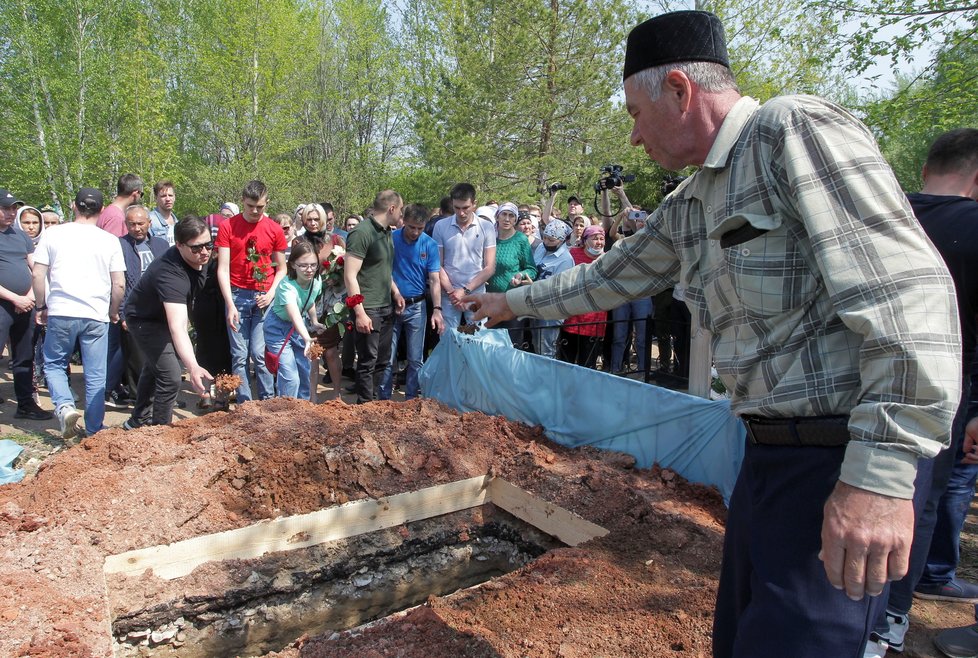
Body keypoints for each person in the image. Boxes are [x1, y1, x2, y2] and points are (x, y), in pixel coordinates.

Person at [464, 11, 961, 657]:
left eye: (636, 114)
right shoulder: (693, 200)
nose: (635, 139)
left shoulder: (792, 131)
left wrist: (881, 476)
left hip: (840, 458)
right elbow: (609, 277)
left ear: (679, 89)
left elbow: (907, 298)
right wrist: (511, 300)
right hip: (765, 455)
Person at [865, 128, 978, 657]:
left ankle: (866, 609)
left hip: (863, 386)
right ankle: (889, 616)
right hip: (943, 394)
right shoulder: (973, 227)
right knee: (922, 500)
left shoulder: (882, 215)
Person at [33, 187, 125, 439]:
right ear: (102, 209)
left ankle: (64, 407)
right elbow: (119, 283)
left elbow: (38, 273)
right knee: (96, 374)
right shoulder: (109, 240)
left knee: (53, 364)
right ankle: (94, 428)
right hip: (96, 313)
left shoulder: (53, 234)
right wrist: (114, 311)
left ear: (74, 206)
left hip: (62, 310)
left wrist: (41, 306)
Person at [122, 217, 214, 428]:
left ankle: (137, 421)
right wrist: (193, 366)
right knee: (171, 376)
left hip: (163, 315)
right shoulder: (170, 273)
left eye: (209, 244)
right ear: (179, 245)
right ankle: (161, 433)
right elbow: (178, 326)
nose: (205, 252)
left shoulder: (200, 257)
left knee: (156, 367)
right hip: (144, 319)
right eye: (197, 247)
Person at [215, 180, 287, 403]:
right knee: (239, 355)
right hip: (236, 294)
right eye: (250, 206)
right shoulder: (228, 226)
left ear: (267, 203)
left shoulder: (274, 229)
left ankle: (267, 402)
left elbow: (282, 268)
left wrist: (272, 292)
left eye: (260, 207)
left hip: (264, 296)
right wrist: (230, 304)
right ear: (242, 202)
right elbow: (223, 268)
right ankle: (245, 403)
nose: (255, 211)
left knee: (259, 353)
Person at [379, 203, 444, 400]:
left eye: (420, 228)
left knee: (416, 359)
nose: (415, 232)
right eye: (411, 227)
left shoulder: (429, 244)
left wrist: (438, 309)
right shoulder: (391, 239)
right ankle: (383, 399)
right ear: (403, 222)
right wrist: (396, 292)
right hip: (392, 303)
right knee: (388, 358)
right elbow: (384, 271)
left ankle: (411, 399)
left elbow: (434, 279)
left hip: (417, 306)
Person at [344, 189, 403, 404]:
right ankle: (365, 408)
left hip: (386, 306)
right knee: (367, 362)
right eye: (401, 209)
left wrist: (395, 291)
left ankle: (376, 405)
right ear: (392, 208)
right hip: (368, 308)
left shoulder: (386, 231)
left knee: (382, 361)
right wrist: (359, 312)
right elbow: (350, 276)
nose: (401, 214)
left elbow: (383, 269)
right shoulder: (362, 232)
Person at [107, 205, 168, 409]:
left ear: (149, 223)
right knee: (136, 357)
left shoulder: (160, 245)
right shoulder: (119, 245)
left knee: (160, 355)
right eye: (131, 224)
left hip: (158, 308)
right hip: (133, 308)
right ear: (126, 224)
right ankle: (138, 399)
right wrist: (123, 313)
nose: (137, 228)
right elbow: (118, 281)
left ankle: (162, 397)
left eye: (141, 223)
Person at [0, 190, 51, 420]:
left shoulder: (20, 236)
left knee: (24, 357)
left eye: (13, 208)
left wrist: (30, 296)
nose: (10, 213)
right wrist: (14, 297)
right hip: (3, 305)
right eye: (5, 208)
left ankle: (25, 404)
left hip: (26, 305)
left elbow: (34, 267)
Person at [262, 240, 324, 400]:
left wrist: (314, 321)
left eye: (313, 265)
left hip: (298, 327)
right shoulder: (286, 287)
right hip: (277, 327)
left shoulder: (316, 282)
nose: (309, 270)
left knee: (304, 371)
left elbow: (308, 302)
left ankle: (302, 412)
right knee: (290, 376)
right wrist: (307, 338)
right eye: (303, 265)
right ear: (293, 265)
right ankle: (286, 412)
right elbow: (294, 313)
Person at [432, 183, 496, 331]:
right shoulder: (441, 226)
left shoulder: (486, 227)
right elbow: (437, 264)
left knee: (479, 342)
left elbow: (490, 267)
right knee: (448, 341)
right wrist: (452, 293)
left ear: (474, 204)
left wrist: (465, 291)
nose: (461, 213)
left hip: (476, 293)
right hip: (449, 294)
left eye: (465, 208)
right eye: (457, 208)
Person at [556, 224, 606, 368]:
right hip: (572, 316)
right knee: (567, 362)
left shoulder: (608, 258)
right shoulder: (572, 254)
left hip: (595, 317)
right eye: (594, 238)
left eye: (601, 239)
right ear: (584, 240)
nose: (599, 242)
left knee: (588, 365)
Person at [487, 202, 536, 347]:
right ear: (497, 217)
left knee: (511, 345)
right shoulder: (489, 238)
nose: (507, 219)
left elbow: (531, 269)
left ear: (515, 220)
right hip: (489, 301)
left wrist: (521, 275)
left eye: (511, 216)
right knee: (491, 346)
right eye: (504, 214)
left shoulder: (520, 240)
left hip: (512, 302)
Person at [531, 219, 574, 359]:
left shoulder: (566, 260)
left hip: (551, 308)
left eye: (551, 240)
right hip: (534, 303)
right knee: (536, 344)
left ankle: (547, 378)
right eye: (544, 237)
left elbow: (557, 288)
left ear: (561, 240)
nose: (546, 242)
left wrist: (531, 284)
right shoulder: (541, 248)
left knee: (546, 348)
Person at [148, 180, 177, 245]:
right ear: (156, 198)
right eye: (163, 196)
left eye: (170, 195)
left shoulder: (177, 223)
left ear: (174, 197)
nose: (168, 199)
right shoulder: (149, 220)